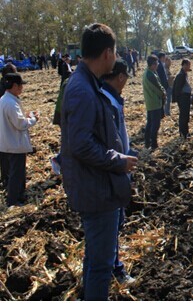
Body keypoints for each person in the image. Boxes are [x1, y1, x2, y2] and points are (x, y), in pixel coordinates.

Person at [59, 23, 138, 301]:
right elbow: (81, 145)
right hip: (96, 191)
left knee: (96, 258)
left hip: (97, 186)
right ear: (107, 53)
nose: (116, 58)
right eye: (115, 52)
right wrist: (119, 161)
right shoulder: (82, 89)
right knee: (101, 266)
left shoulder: (86, 83)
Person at [99, 58, 136, 285]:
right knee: (112, 224)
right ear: (120, 77)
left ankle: (112, 262)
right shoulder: (107, 102)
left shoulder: (110, 98)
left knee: (115, 223)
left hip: (118, 166)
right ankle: (114, 269)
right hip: (113, 171)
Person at [0, 73, 39, 207]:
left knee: (15, 172)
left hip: (6, 143)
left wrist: (25, 116)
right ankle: (13, 200)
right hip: (14, 144)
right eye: (21, 85)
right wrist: (33, 119)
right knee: (16, 174)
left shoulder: (4, 100)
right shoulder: (11, 103)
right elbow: (21, 124)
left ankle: (19, 196)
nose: (22, 88)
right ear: (15, 86)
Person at [142, 55, 166, 150]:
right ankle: (154, 144)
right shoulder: (150, 74)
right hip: (154, 102)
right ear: (152, 64)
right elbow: (158, 88)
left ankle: (147, 143)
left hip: (150, 102)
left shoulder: (148, 72)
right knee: (155, 124)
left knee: (150, 123)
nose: (158, 65)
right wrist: (163, 94)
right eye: (156, 63)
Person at [172, 59, 193, 138]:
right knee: (184, 116)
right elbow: (177, 89)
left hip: (186, 97)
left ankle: (184, 131)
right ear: (184, 65)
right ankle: (184, 132)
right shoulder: (181, 75)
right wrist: (179, 99)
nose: (189, 67)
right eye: (188, 65)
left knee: (185, 115)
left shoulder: (184, 74)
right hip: (183, 98)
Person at [156, 52, 170, 116]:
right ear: (161, 57)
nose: (165, 59)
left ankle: (163, 113)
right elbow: (160, 76)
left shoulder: (162, 64)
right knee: (162, 100)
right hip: (162, 85)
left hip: (164, 84)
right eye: (164, 57)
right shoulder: (159, 65)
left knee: (164, 100)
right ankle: (162, 113)